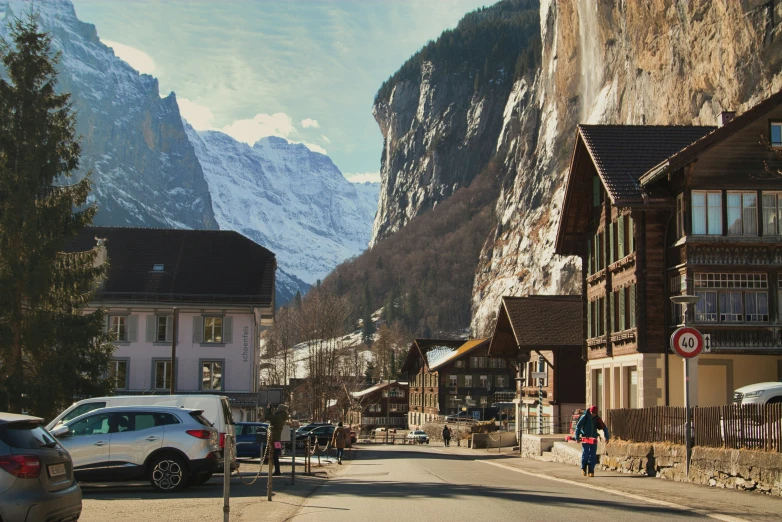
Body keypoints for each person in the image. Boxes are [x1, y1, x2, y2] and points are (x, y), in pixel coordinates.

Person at [574, 405, 610, 477]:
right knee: (586, 454)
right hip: (585, 438)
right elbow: (578, 426)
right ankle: (583, 468)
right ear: (590, 411)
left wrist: (607, 437)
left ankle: (591, 470)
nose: (593, 414)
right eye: (592, 412)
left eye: (594, 413)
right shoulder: (585, 417)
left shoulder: (597, 419)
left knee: (593, 455)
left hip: (593, 438)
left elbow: (604, 427)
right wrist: (577, 437)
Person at [266, 403, 289, 476]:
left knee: (274, 455)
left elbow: (268, 417)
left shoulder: (278, 417)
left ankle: (277, 470)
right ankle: (277, 469)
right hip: (278, 439)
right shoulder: (283, 417)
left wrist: (268, 409)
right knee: (276, 454)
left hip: (274, 438)